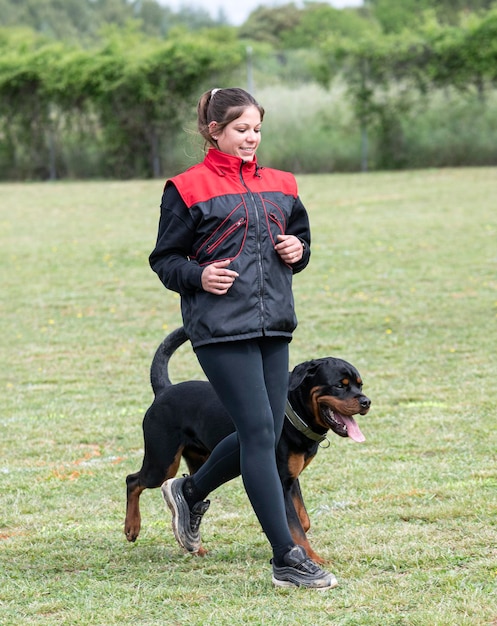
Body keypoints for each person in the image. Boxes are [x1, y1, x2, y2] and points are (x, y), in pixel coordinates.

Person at [149, 87, 337, 590]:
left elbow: (302, 244)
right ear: (215, 131)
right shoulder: (186, 188)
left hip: (274, 324)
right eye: (240, 129)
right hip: (219, 329)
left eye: (256, 129)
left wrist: (299, 249)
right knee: (259, 433)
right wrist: (199, 276)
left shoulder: (283, 184)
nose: (250, 138)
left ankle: (189, 493)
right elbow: (165, 260)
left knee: (266, 432)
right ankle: (286, 557)